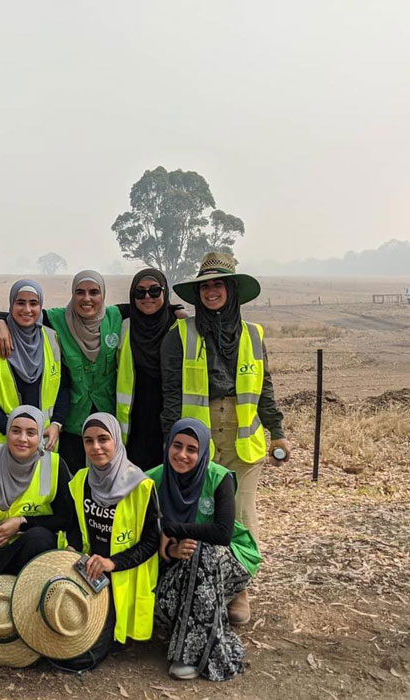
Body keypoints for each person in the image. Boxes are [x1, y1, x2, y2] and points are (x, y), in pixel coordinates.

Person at [161, 251, 290, 622]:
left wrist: (277, 432)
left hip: (243, 440)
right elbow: (172, 397)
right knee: (203, 515)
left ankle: (239, 590)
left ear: (232, 290)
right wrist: (171, 445)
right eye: (205, 286)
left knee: (242, 517)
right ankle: (202, 585)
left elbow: (263, 387)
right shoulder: (179, 335)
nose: (211, 292)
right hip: (197, 443)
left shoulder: (253, 334)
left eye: (218, 284)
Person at [150, 418, 261, 681]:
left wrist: (173, 529)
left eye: (192, 449)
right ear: (167, 446)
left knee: (202, 550)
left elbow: (222, 533)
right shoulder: (151, 480)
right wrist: (168, 550)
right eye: (177, 446)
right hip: (176, 566)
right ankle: (209, 617)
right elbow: (141, 534)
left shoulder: (218, 478)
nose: (182, 455)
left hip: (229, 561)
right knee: (192, 558)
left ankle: (189, 656)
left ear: (203, 453)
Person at [0, 270, 122, 472]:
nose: (86, 298)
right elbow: (24, 313)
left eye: (93, 292)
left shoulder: (116, 315)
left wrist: (177, 311)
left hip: (107, 417)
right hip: (72, 420)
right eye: (80, 292)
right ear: (72, 294)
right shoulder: (57, 319)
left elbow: (149, 308)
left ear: (103, 295)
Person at [66, 413, 159, 667]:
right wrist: (73, 552)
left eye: (103, 439)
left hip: (121, 577)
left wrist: (112, 563)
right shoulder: (81, 481)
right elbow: (74, 525)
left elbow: (152, 541)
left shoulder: (140, 486)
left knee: (86, 656)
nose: (96, 447)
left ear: (116, 441)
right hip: (87, 572)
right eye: (88, 441)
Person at [0, 406, 74, 601]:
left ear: (40, 436)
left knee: (38, 537)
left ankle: (28, 598)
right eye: (15, 430)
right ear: (7, 431)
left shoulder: (54, 465)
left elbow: (65, 519)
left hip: (39, 555)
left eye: (31, 433)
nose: (22, 439)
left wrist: (22, 523)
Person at [0, 279, 69, 461]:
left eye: (33, 303)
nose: (27, 310)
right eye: (20, 302)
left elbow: (63, 387)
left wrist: (57, 423)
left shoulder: (51, 339)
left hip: (40, 443)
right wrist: (13, 432)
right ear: (11, 304)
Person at [116, 268, 184, 470]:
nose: (147, 297)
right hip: (134, 422)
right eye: (140, 292)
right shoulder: (124, 326)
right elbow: (94, 310)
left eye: (155, 291)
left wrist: (174, 309)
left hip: (171, 416)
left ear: (165, 292)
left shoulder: (180, 327)